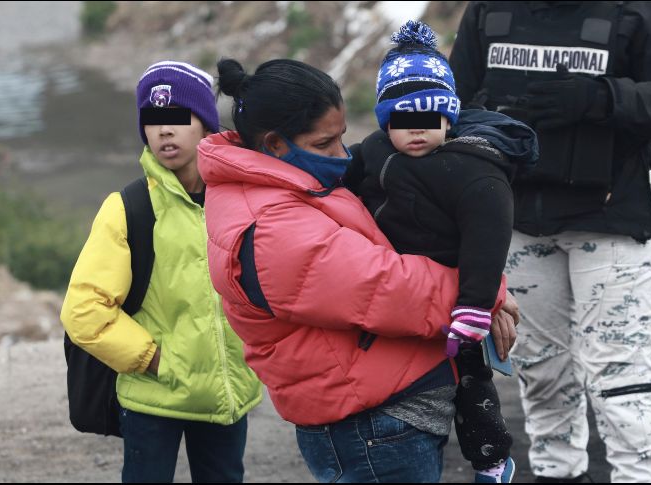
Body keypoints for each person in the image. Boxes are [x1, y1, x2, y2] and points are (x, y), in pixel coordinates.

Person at [199, 56, 517, 483]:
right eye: (324, 143)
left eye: (342, 137)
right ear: (275, 144)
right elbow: (391, 289)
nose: (342, 155)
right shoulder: (273, 227)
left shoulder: (289, 184)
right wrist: (483, 293)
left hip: (379, 415)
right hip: (370, 428)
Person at [449, 2, 651, 482]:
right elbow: (453, 104)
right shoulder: (489, 8)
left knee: (620, 383)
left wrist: (603, 99)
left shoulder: (640, 9)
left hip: (612, 222)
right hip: (519, 222)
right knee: (543, 379)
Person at [344, 20, 539, 483]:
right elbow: (331, 178)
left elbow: (487, 242)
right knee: (412, 390)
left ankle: (492, 461)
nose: (416, 133)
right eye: (402, 122)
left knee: (472, 386)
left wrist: (473, 307)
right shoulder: (371, 153)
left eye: (429, 121)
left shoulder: (472, 167)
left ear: (448, 118)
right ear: (385, 121)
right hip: (402, 297)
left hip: (458, 295)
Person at [61, 60, 263, 483]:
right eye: (152, 121)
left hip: (226, 395)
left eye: (177, 119)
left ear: (206, 125)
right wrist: (153, 361)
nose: (163, 131)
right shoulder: (128, 208)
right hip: (153, 398)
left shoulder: (240, 201)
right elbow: (83, 310)